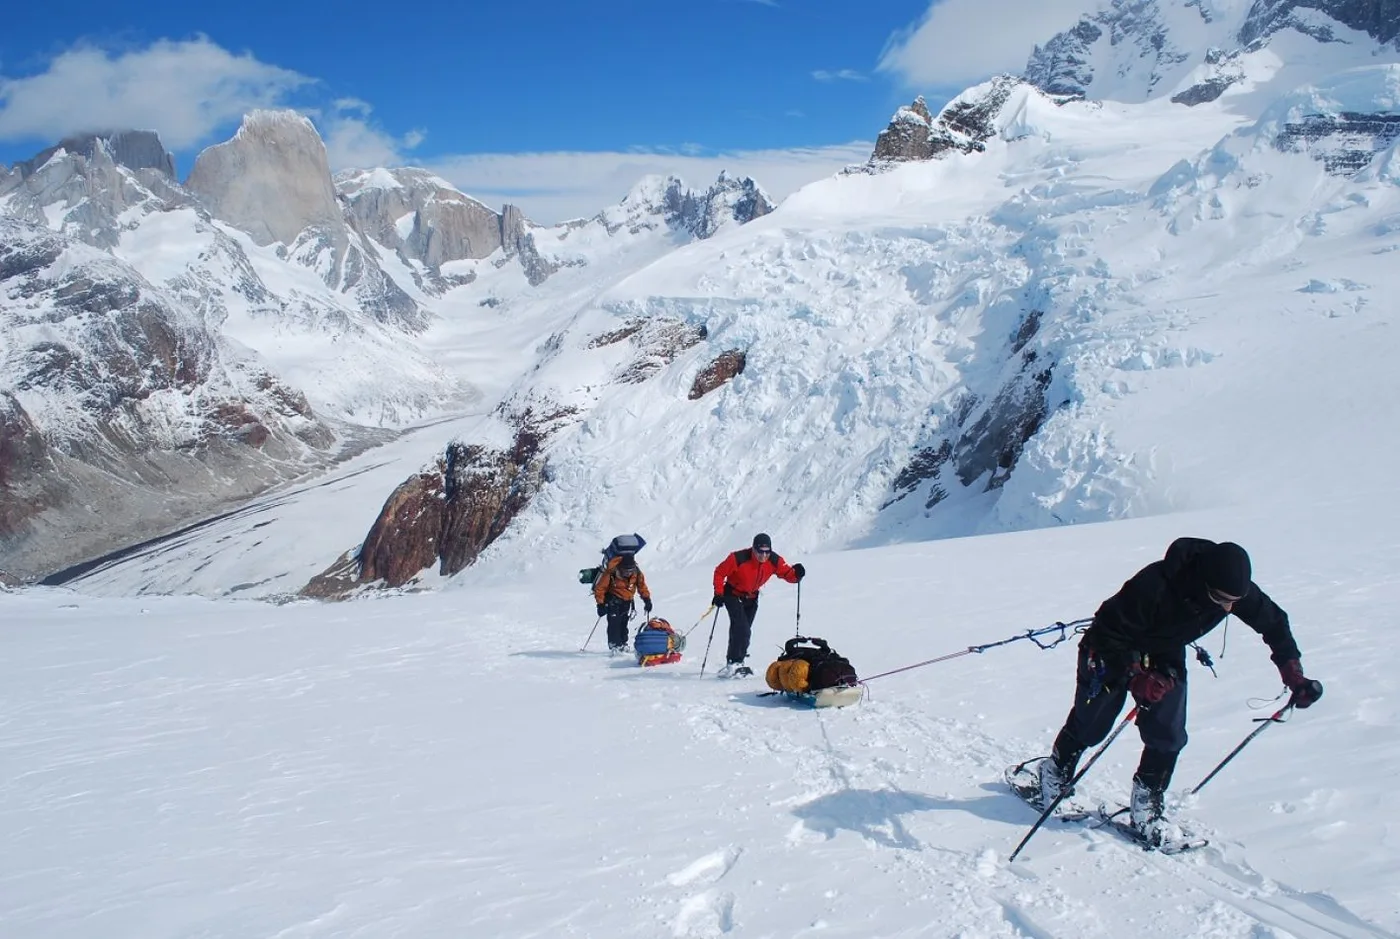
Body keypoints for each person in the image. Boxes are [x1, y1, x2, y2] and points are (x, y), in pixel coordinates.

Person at [1037, 538, 1323, 844]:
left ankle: (1146, 809)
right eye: (1220, 598)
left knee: (1168, 732)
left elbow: (1275, 625)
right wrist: (1135, 677)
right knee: (1093, 723)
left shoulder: (1233, 591)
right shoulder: (1155, 584)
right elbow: (1109, 632)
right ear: (1203, 581)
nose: (1228, 607)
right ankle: (1054, 773)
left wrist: (1294, 675)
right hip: (1110, 648)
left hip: (1163, 650)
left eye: (1234, 601)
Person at [711, 533, 805, 678]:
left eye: (767, 552)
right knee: (742, 630)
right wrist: (718, 593)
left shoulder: (774, 560)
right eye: (760, 552)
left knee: (742, 630)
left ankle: (735, 662)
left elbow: (788, 574)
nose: (763, 555)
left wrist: (797, 574)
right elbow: (719, 572)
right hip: (732, 594)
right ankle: (735, 662)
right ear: (753, 549)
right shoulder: (738, 558)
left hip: (751, 597)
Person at [594, 552, 652, 654]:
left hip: (627, 602)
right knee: (614, 623)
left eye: (630, 571)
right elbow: (600, 588)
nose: (628, 573)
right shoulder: (611, 572)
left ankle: (623, 643)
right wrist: (600, 604)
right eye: (626, 571)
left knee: (623, 623)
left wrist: (647, 600)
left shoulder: (637, 573)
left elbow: (642, 587)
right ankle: (614, 645)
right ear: (621, 567)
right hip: (612, 601)